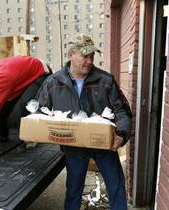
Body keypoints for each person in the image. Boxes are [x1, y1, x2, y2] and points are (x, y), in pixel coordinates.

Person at [36, 34, 132, 210]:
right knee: (73, 190)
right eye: (85, 55)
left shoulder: (105, 80)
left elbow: (123, 112)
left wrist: (121, 135)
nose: (89, 61)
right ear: (71, 54)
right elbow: (38, 112)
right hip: (73, 145)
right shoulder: (53, 82)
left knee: (116, 187)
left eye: (92, 56)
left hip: (104, 144)